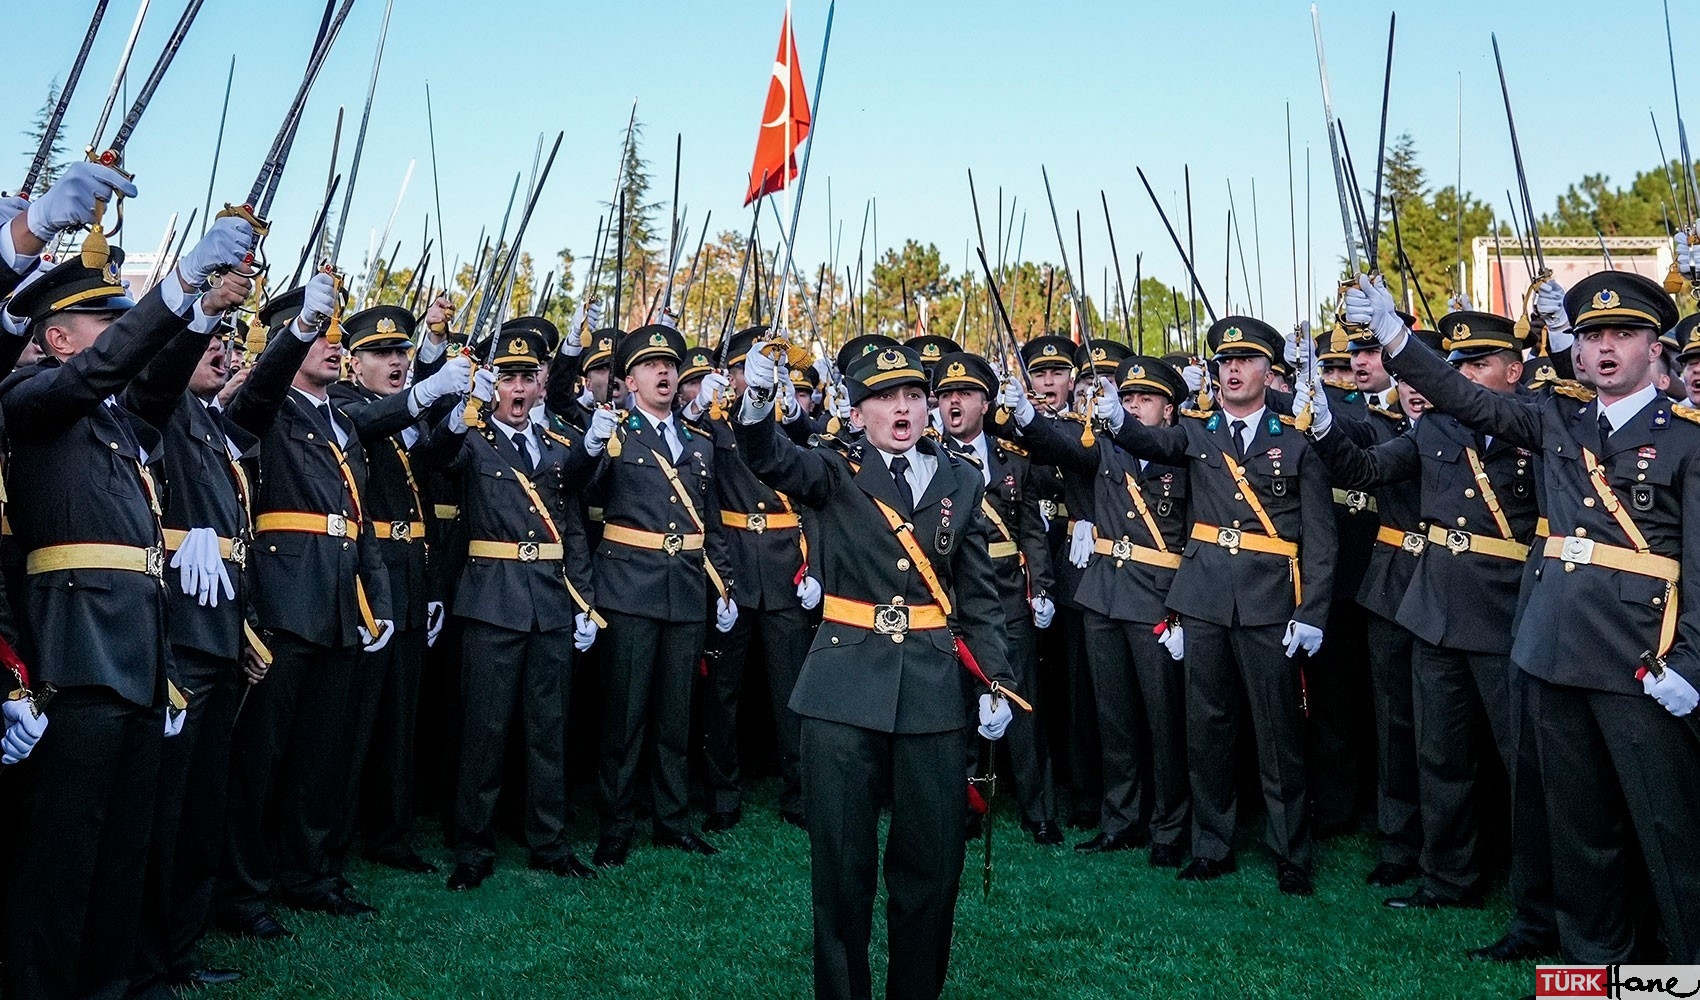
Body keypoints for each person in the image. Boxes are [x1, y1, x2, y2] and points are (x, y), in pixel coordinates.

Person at [1346, 269, 1700, 963]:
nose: (1605, 349)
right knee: (1573, 823)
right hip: (1550, 647)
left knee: (1665, 824)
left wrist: (1692, 660)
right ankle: (1596, 961)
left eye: (1623, 335)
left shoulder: (1687, 439)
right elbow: (1459, 396)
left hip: (1641, 657)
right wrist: (1394, 333)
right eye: (1594, 336)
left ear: (1654, 348)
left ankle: (1682, 965)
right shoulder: (1553, 419)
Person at [1, 214, 255, 999]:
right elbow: (104, 373)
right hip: (78, 653)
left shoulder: (113, 423)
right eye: (102, 324)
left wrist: (202, 311)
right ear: (58, 338)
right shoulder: (29, 398)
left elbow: (155, 373)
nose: (120, 337)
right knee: (64, 856)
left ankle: (116, 986)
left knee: (121, 848)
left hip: (139, 654)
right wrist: (176, 286)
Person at [734, 340, 1015, 1000]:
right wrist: (754, 401)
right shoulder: (832, 472)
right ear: (857, 414)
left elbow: (979, 594)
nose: (904, 407)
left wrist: (995, 680)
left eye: (914, 396)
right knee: (841, 870)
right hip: (841, 688)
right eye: (887, 397)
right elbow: (769, 455)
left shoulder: (961, 480)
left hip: (932, 691)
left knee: (934, 868)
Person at [1298, 309, 1557, 957]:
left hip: (1508, 612)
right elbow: (1365, 471)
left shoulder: (1542, 420)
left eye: (1477, 364)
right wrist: (1328, 430)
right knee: (1438, 754)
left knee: (1521, 764)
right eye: (1459, 364)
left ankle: (1537, 900)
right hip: (1437, 606)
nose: (1462, 375)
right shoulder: (1436, 424)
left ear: (1513, 370)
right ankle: (1448, 875)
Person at [1095, 316, 1337, 895]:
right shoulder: (1198, 433)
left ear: (1267, 371)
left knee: (1278, 733)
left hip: (1269, 601)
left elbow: (1321, 539)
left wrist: (1313, 612)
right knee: (1207, 728)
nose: (1233, 369)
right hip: (1203, 598)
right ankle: (1211, 845)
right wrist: (1116, 415)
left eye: (1246, 360)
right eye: (1225, 362)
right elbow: (1150, 440)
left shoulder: (1295, 438)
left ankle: (1291, 852)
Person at [218, 272, 395, 937]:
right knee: (262, 760)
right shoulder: (264, 406)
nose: (331, 343)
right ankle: (243, 892)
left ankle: (311, 873)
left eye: (333, 334)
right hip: (284, 600)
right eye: (316, 331)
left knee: (322, 757)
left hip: (340, 602)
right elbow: (256, 398)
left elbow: (359, 518)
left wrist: (376, 600)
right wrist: (285, 345)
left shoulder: (341, 422)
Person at [417, 323, 601, 889]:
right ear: (492, 384)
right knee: (484, 730)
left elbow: (571, 529)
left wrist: (584, 603)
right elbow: (435, 454)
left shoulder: (560, 447)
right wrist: (458, 408)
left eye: (527, 378)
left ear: (542, 383)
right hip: (490, 601)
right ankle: (472, 847)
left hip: (548, 602)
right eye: (507, 379)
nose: (517, 390)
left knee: (549, 729)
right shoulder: (472, 439)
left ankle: (549, 840)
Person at [1003, 354, 1190, 862]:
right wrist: (1025, 414)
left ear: (1169, 411)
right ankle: (1121, 819)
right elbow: (1059, 445)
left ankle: (1171, 827)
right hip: (1104, 594)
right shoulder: (1104, 449)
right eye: (1126, 398)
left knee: (1164, 718)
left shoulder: (1183, 452)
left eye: (1144, 399)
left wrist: (1183, 606)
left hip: (1157, 595)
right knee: (1114, 717)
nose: (1131, 406)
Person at [569, 325, 737, 867]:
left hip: (685, 588)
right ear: (629, 380)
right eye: (651, 365)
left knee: (674, 715)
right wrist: (593, 447)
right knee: (624, 716)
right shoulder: (614, 432)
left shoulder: (697, 443)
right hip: (628, 587)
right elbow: (578, 493)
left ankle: (671, 819)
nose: (664, 373)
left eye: (670, 364)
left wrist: (724, 585)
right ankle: (616, 825)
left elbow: (709, 523)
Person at [330, 306, 471, 877]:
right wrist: (423, 393)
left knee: (400, 719)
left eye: (401, 353)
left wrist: (456, 418)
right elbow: (368, 426)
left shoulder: (400, 417)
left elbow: (427, 468)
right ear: (353, 362)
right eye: (381, 354)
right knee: (357, 718)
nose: (395, 361)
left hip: (411, 573)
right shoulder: (343, 405)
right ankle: (338, 837)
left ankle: (392, 831)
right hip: (372, 575)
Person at [685, 326, 815, 832]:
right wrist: (698, 409)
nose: (751, 379)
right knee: (723, 692)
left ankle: (800, 792)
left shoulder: (792, 420)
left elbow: (816, 459)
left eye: (765, 369)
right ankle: (723, 794)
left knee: (792, 690)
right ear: (730, 375)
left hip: (786, 565)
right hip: (733, 565)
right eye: (743, 369)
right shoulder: (714, 423)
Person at [934, 351, 1060, 845]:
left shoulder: (1015, 461)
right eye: (945, 396)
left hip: (1009, 595)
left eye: (963, 394)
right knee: (958, 709)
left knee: (1023, 703)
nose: (953, 403)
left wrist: (1042, 588)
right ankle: (964, 806)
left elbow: (1032, 533)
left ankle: (1039, 810)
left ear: (985, 402)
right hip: (952, 598)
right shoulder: (927, 458)